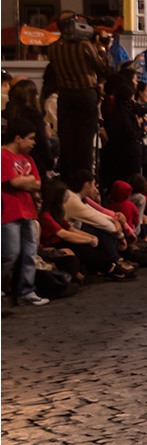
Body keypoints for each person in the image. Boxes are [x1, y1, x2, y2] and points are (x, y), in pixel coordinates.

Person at [47, 12, 111, 179]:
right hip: (86, 94)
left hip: (65, 95)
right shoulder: (84, 46)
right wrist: (102, 49)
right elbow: (103, 69)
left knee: (67, 140)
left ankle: (69, 177)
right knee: (85, 141)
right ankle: (84, 179)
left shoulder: (53, 48)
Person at [2, 119, 49, 306]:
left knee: (30, 253)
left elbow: (38, 183)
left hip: (27, 211)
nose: (33, 143)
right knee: (10, 254)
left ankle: (26, 292)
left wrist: (25, 181)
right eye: (30, 139)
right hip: (8, 211)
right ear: (18, 138)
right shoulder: (3, 155)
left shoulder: (28, 158)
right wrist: (26, 181)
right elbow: (14, 183)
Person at [3, 79, 53, 180]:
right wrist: (49, 163)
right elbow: (41, 141)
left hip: (11, 160)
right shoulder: (34, 116)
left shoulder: (7, 114)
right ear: (33, 97)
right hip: (33, 161)